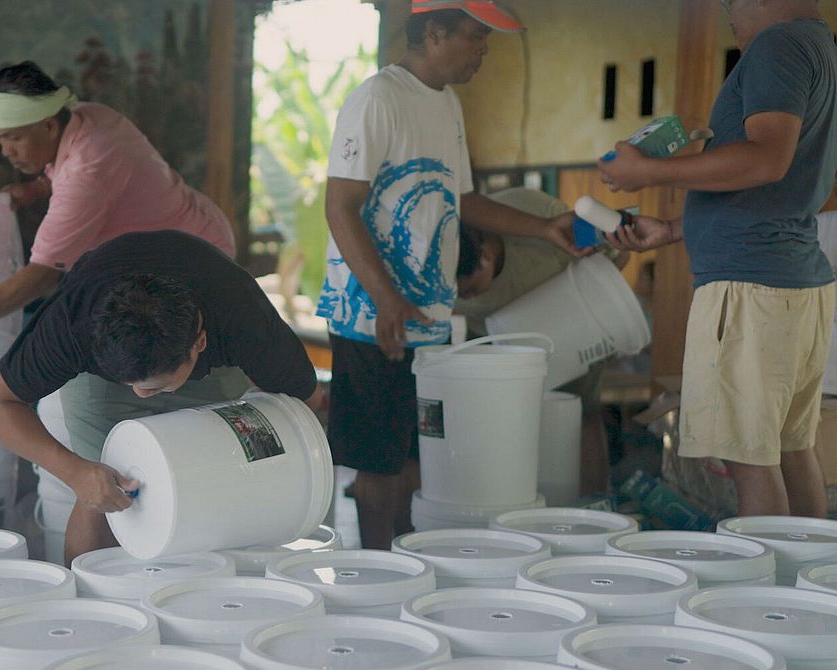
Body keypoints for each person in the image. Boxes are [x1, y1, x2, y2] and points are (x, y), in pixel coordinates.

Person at [317, 0, 580, 550]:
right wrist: (385, 299)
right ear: (433, 32)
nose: (483, 50)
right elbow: (340, 206)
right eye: (474, 36)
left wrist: (543, 228)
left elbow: (463, 201)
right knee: (380, 460)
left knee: (418, 451)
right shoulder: (378, 98)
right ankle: (378, 567)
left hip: (427, 311)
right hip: (371, 314)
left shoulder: (446, 103)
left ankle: (408, 555)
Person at [599, 0, 836, 518]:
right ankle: (810, 568)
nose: (727, 9)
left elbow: (767, 160)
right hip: (789, 279)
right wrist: (674, 228)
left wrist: (648, 173)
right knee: (789, 446)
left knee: (750, 456)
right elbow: (777, 183)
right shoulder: (817, 44)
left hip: (752, 286)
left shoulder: (778, 45)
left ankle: (768, 574)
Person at [0, 230, 323, 564]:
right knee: (104, 488)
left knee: (218, 477)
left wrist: (254, 454)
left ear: (200, 344)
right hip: (102, 375)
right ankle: (88, 596)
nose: (140, 395)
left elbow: (305, 402)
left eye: (154, 386)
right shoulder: (71, 325)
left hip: (212, 367)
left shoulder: (243, 318)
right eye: (133, 384)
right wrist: (76, 473)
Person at [0, 61, 234, 380]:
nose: (5, 151)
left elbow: (43, 274)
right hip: (191, 227)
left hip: (194, 257)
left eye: (13, 137)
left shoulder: (88, 170)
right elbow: (78, 172)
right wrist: (36, 188)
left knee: (157, 366)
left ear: (48, 126)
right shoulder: (86, 115)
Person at [454, 187, 632, 496]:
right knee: (497, 422)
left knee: (582, 414)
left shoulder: (539, 216)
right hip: (492, 338)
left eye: (468, 291)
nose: (463, 298)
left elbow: (618, 257)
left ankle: (594, 502)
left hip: (569, 323)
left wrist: (581, 304)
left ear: (486, 256)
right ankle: (504, 500)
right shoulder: (445, 257)